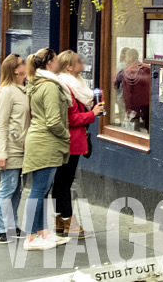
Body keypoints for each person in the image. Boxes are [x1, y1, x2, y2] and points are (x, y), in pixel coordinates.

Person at [22, 48, 71, 251]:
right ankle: (31, 236)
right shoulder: (50, 87)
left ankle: (41, 232)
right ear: (49, 62)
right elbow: (53, 121)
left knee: (42, 190)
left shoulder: (37, 83)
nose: (59, 61)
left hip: (40, 140)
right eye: (56, 58)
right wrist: (66, 135)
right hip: (46, 142)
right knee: (39, 190)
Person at [52, 50, 103, 239]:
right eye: (78, 61)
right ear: (69, 67)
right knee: (65, 181)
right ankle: (69, 223)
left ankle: (60, 221)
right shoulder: (66, 87)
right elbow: (70, 118)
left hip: (73, 140)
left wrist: (93, 105)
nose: (83, 63)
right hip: (69, 141)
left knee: (61, 181)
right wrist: (92, 114)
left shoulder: (78, 84)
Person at [0, 54, 29, 245]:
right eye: (22, 63)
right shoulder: (7, 91)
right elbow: (0, 123)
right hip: (11, 147)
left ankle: (11, 225)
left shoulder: (24, 89)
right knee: (7, 187)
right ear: (15, 69)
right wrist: (1, 152)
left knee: (17, 189)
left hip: (24, 147)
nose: (26, 64)